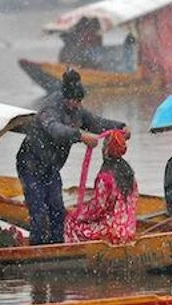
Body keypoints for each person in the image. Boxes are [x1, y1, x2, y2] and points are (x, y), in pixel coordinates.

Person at [16, 69, 128, 245]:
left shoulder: (78, 111)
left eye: (79, 101)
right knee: (39, 212)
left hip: (51, 168)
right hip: (30, 164)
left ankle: (57, 248)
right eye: (74, 101)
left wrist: (120, 127)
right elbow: (55, 130)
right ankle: (37, 251)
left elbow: (96, 122)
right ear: (65, 98)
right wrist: (80, 136)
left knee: (58, 211)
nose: (77, 105)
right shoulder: (50, 109)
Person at [64, 129, 138, 244]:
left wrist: (78, 214)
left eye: (104, 146)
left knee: (70, 222)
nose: (102, 149)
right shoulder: (129, 173)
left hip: (112, 230)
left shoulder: (105, 177)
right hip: (128, 228)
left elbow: (99, 208)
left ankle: (77, 255)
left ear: (107, 150)